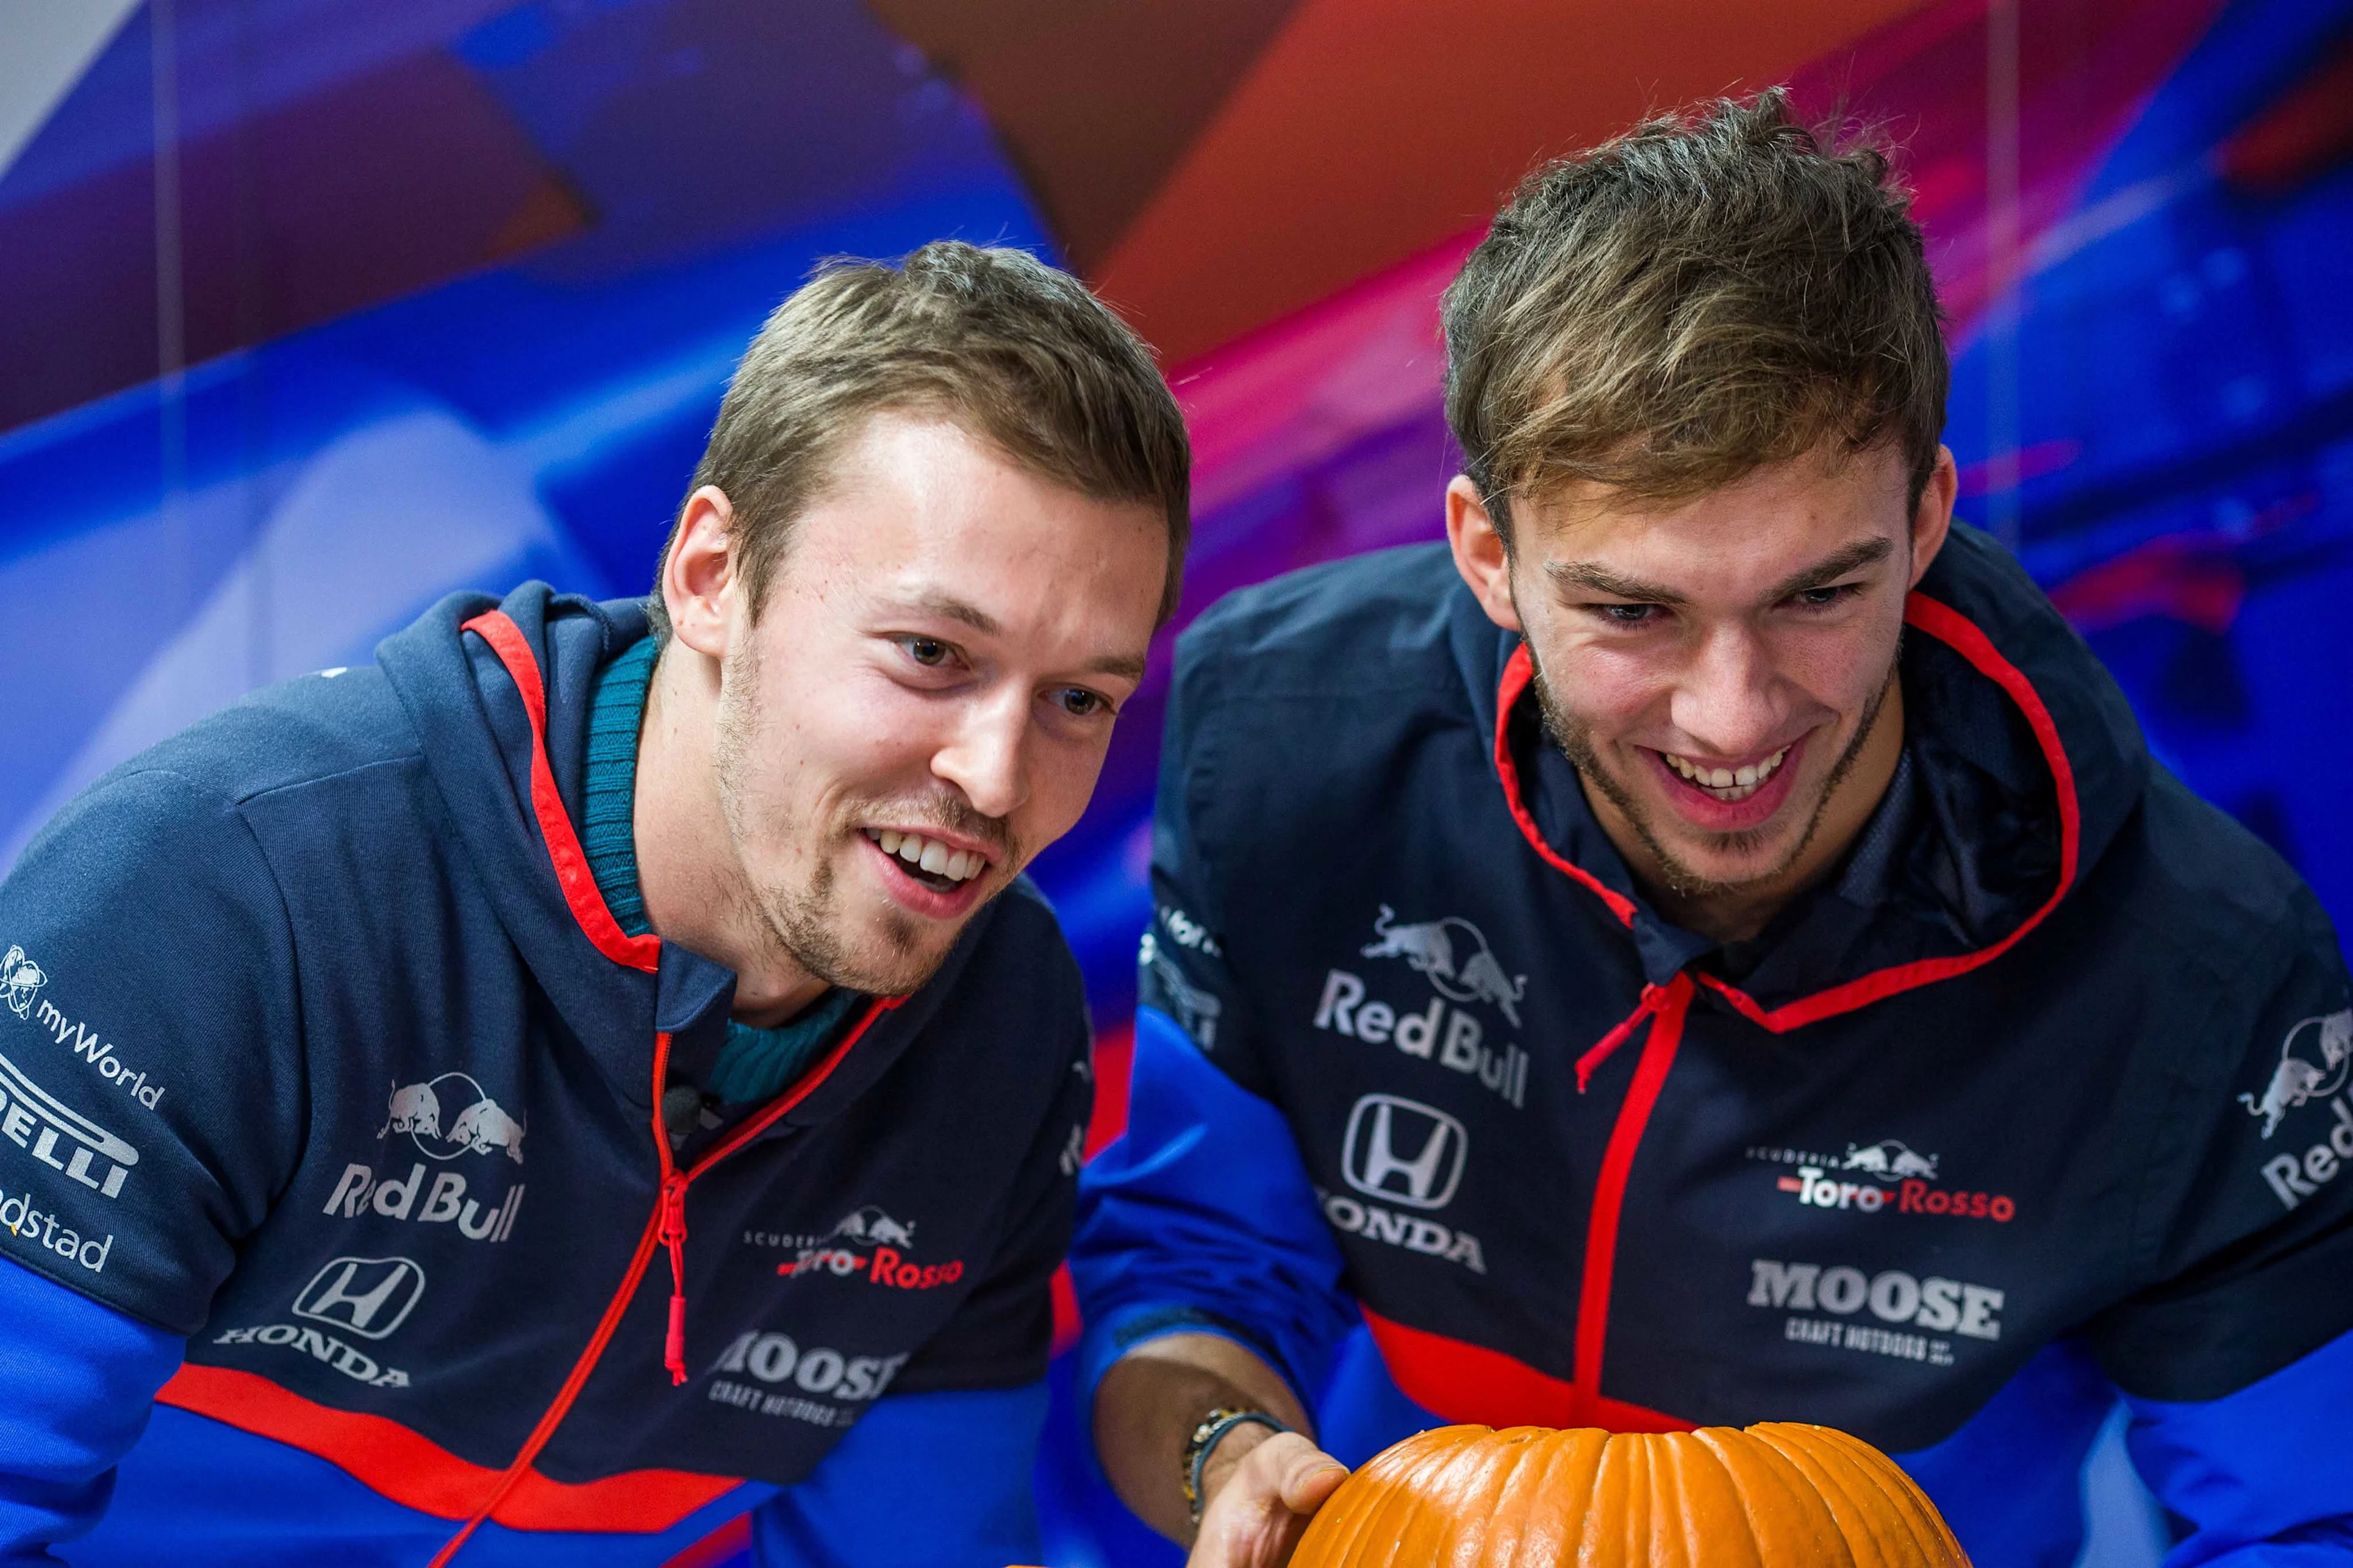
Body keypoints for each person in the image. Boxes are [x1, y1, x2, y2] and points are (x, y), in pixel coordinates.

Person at [1073, 93, 2353, 1566]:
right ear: (1489, 553)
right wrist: (1222, 1454)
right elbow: (1191, 1268)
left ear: (1926, 516)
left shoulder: (2201, 972)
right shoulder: (1286, 742)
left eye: (1816, 594)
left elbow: (2302, 1517)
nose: (1733, 719)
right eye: (1633, 610)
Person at [0, 241, 1188, 1565]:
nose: (997, 775)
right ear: (710, 578)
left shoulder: (1004, 1026)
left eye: (1079, 698)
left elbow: (919, 1549)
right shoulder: (226, 896)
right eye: (931, 655)